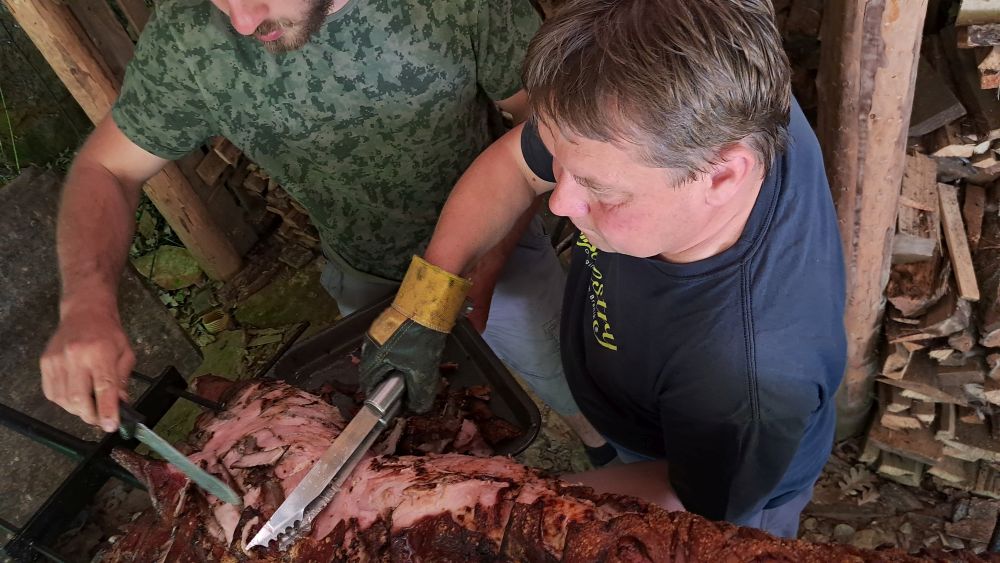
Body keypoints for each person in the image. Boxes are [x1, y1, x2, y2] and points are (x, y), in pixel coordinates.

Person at [39, 0, 613, 463]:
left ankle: (605, 451)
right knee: (411, 426)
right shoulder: (189, 37)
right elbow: (106, 168)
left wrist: (491, 258)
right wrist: (85, 301)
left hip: (498, 250)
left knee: (566, 375)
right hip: (362, 275)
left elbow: (540, 124)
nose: (242, 22)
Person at [359, 0, 847, 538]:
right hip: (641, 402)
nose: (559, 202)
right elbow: (517, 166)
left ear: (721, 176)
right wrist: (428, 297)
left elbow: (693, 503)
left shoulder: (744, 376)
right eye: (561, 164)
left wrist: (495, 505)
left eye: (600, 190)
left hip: (717, 479)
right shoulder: (707, 83)